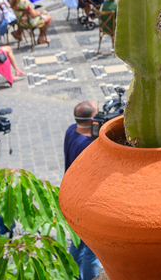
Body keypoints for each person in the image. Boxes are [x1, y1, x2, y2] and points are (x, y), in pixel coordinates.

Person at [64, 101, 103, 280]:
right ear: (92, 119)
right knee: (92, 251)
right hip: (88, 201)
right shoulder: (88, 145)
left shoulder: (71, 131)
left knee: (76, 244)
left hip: (73, 196)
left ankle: (72, 274)